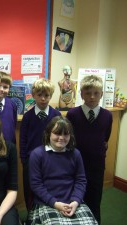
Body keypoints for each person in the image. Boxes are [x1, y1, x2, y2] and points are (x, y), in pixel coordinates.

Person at [27, 116, 98, 225]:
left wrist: (75, 201)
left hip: (72, 202)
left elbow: (81, 181)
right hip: (47, 202)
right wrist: (55, 203)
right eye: (57, 133)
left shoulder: (75, 154)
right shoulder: (37, 154)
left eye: (66, 134)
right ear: (48, 133)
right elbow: (36, 185)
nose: (61, 138)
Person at [66, 75, 112, 224]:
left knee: (94, 199)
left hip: (97, 166)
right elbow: (68, 138)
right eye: (88, 93)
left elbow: (105, 138)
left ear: (102, 94)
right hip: (75, 164)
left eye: (96, 93)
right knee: (75, 199)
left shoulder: (107, 116)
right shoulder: (72, 114)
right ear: (81, 94)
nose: (92, 97)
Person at [19, 78, 61, 210]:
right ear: (33, 95)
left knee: (48, 188)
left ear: (51, 96)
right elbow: (23, 139)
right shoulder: (28, 116)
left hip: (51, 160)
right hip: (31, 161)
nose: (43, 98)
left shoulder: (56, 115)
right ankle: (31, 214)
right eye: (39, 95)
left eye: (46, 95)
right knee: (30, 188)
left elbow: (60, 138)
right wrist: (24, 159)